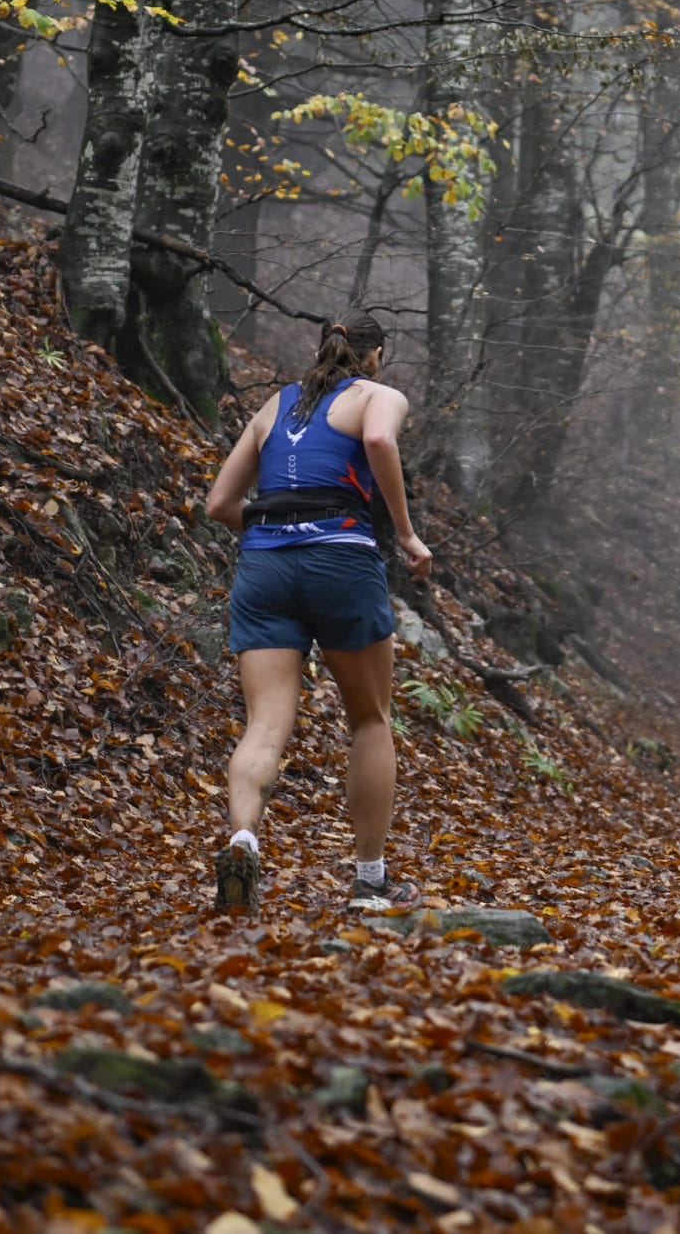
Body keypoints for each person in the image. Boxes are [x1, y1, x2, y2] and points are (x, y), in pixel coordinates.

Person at [203, 312, 434, 915]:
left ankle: (243, 838)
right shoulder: (378, 395)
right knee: (370, 719)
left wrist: (275, 533)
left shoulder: (275, 407)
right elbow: (380, 441)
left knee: (265, 724)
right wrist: (406, 536)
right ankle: (369, 881)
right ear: (376, 354)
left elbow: (220, 503)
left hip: (265, 567)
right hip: (341, 560)